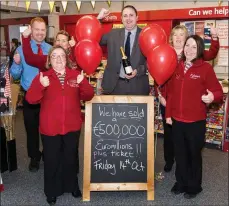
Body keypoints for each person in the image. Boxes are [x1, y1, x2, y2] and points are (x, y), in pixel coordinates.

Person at [26, 46, 94, 205]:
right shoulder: (43, 76)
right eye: (54, 56)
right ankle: (51, 191)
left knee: (70, 159)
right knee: (52, 160)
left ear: (67, 59)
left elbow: (89, 95)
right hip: (50, 127)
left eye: (61, 56)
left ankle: (72, 186)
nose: (58, 59)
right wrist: (40, 85)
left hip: (72, 126)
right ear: (49, 60)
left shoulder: (75, 75)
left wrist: (82, 83)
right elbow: (30, 99)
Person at [155, 24, 219, 173]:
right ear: (171, 38)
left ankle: (184, 166)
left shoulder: (193, 53)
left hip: (189, 108)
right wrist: (161, 96)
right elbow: (158, 75)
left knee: (187, 140)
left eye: (181, 35)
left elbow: (212, 53)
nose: (178, 38)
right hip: (168, 102)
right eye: (175, 34)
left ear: (186, 38)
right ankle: (169, 160)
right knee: (169, 135)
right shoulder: (165, 52)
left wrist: (214, 38)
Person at [165, 35, 223, 199]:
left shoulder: (205, 69)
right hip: (177, 120)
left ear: (199, 51)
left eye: (193, 47)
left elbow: (218, 92)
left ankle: (194, 186)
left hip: (195, 122)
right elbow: (171, 93)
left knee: (194, 155)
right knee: (180, 153)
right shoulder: (176, 66)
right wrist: (168, 114)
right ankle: (181, 182)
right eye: (187, 45)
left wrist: (212, 97)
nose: (189, 50)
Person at [10, 17, 52, 172]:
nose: (40, 33)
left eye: (43, 30)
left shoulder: (50, 49)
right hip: (29, 97)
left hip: (48, 96)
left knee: (49, 128)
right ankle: (34, 157)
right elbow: (14, 76)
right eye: (37, 29)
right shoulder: (21, 50)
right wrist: (16, 63)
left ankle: (48, 155)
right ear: (31, 30)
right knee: (31, 129)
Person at [97, 6, 149, 95]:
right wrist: (99, 19)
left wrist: (138, 70)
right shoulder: (113, 34)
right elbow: (96, 38)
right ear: (121, 19)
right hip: (115, 86)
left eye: (131, 15)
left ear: (137, 18)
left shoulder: (146, 36)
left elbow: (151, 62)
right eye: (125, 16)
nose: (128, 18)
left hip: (137, 86)